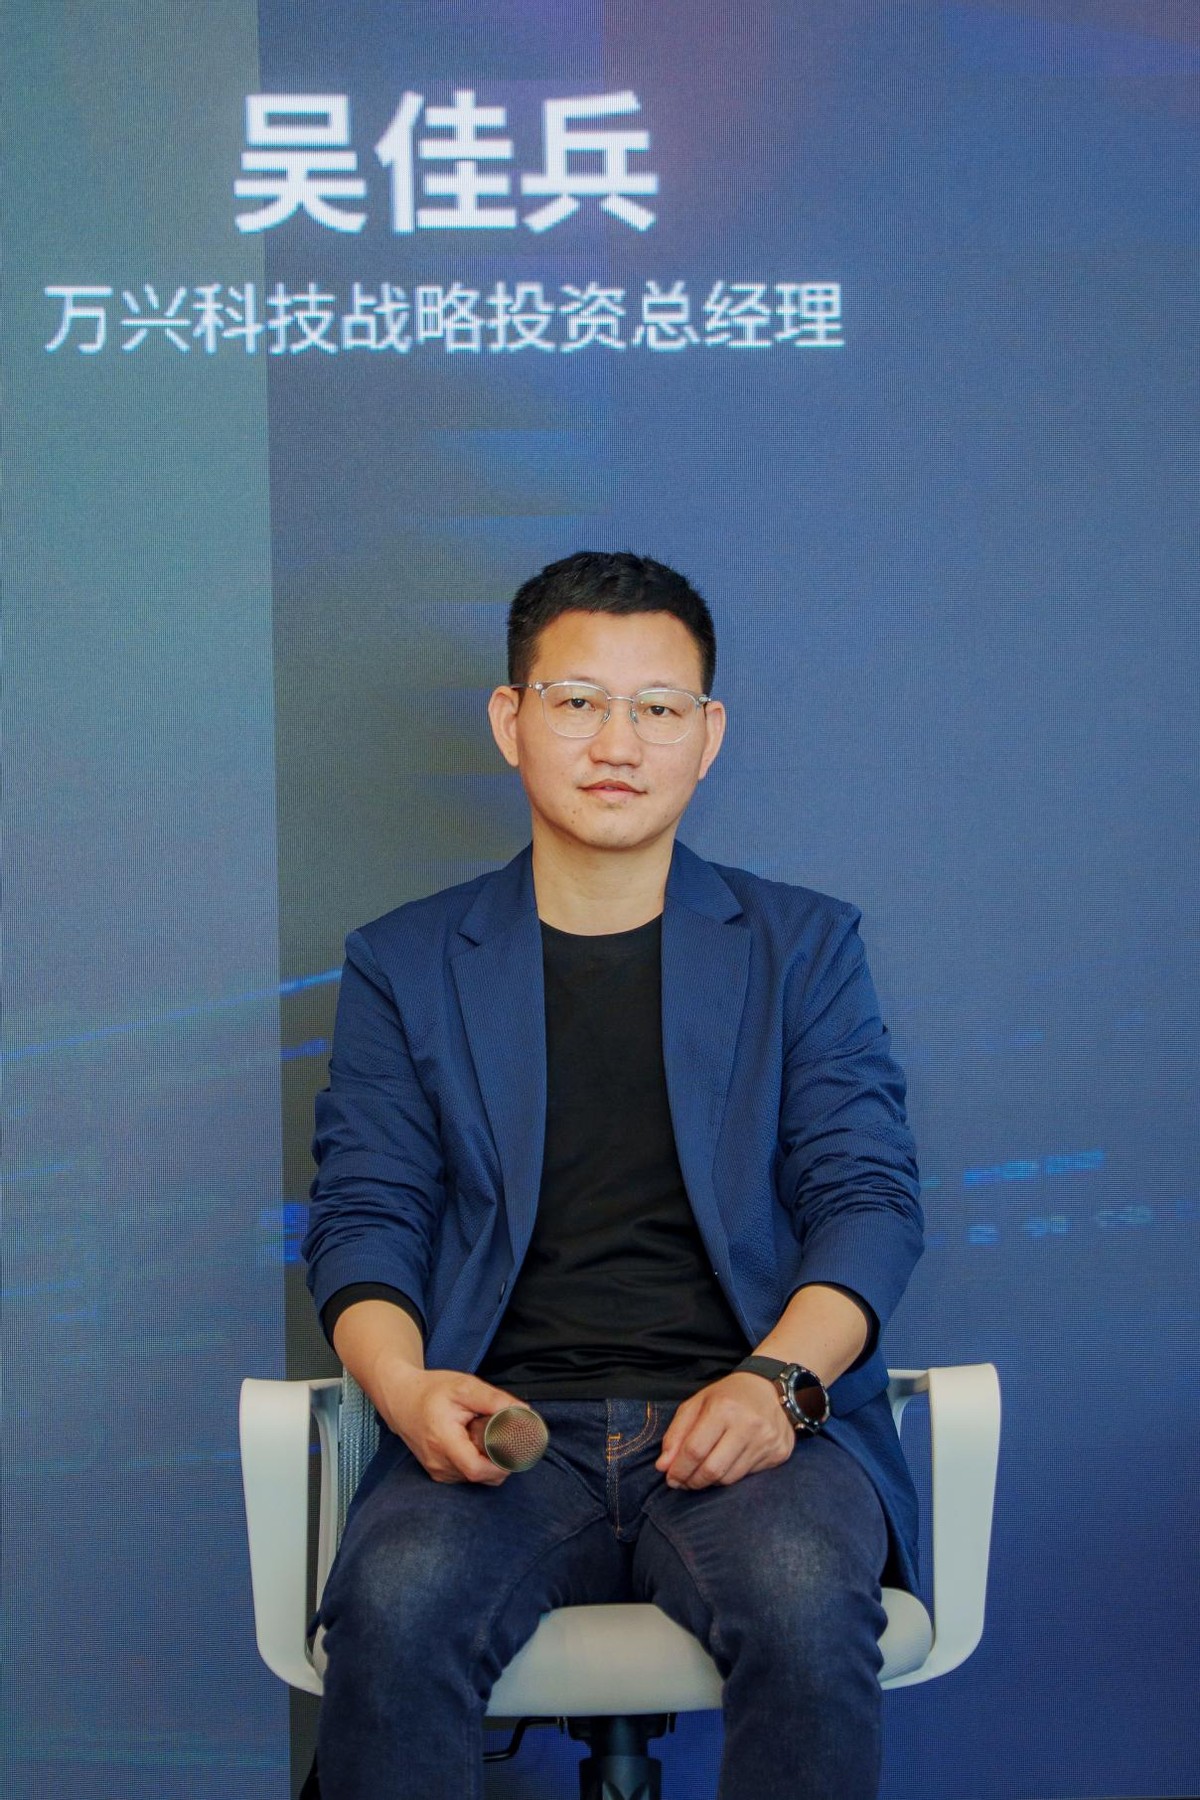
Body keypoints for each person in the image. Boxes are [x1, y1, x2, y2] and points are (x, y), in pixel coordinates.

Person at [302, 551, 924, 1800]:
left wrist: (776, 1385)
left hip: (750, 1425)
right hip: (506, 1434)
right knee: (396, 1601)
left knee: (804, 1596)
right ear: (510, 719)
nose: (618, 743)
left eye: (658, 707)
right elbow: (366, 1215)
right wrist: (405, 1390)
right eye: (578, 700)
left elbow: (868, 1201)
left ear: (708, 735)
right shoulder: (404, 962)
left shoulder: (803, 947)